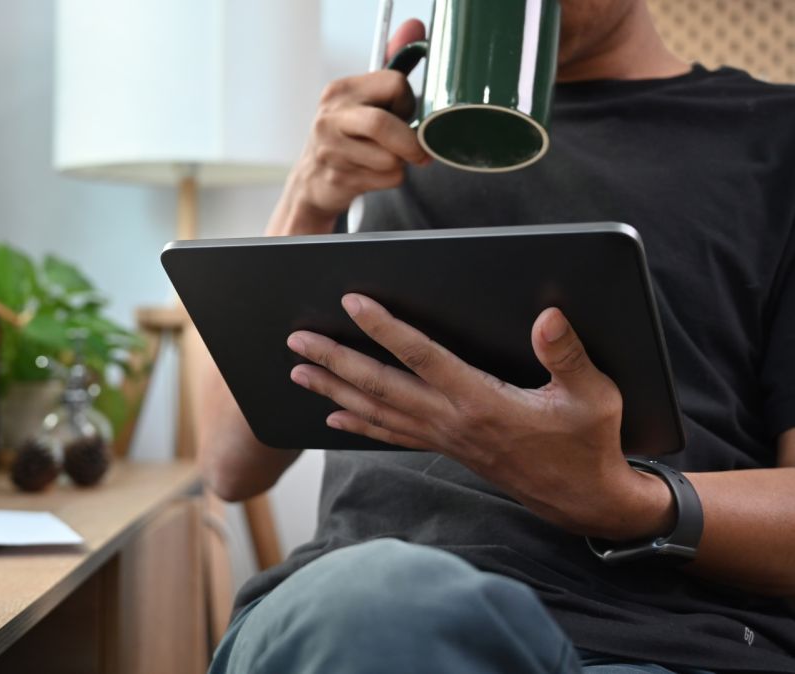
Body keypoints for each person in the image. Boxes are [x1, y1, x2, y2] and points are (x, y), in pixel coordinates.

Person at [199, 1, 795, 672]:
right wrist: (307, 202)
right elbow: (228, 464)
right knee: (379, 609)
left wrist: (623, 501)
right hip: (355, 618)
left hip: (656, 642)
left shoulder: (773, 141)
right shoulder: (384, 135)